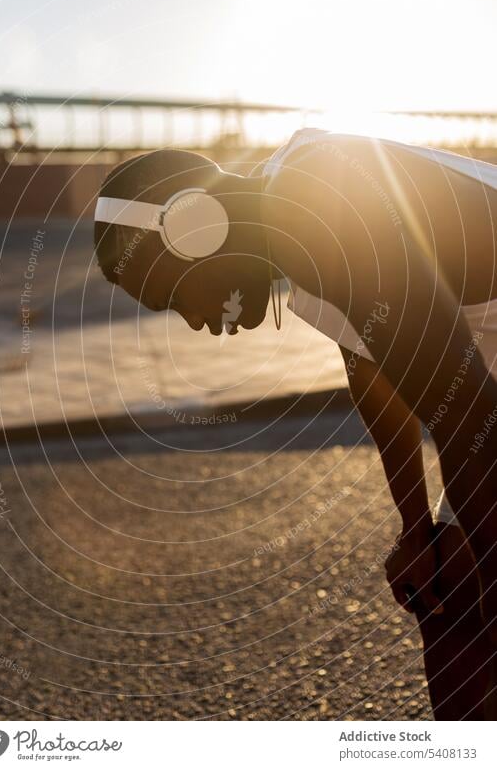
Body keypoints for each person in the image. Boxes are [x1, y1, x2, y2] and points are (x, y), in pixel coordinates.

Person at [94, 130, 497, 719]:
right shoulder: (296, 232)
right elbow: (376, 376)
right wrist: (416, 528)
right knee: (453, 598)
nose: (196, 321)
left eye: (171, 296)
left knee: (471, 583)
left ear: (190, 227)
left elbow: (466, 415)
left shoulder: (318, 201)